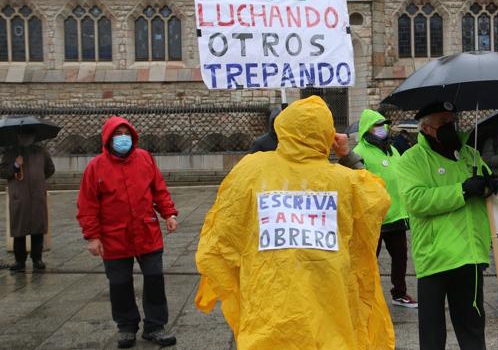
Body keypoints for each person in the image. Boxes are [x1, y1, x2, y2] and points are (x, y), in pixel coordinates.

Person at [195, 96, 395, 350]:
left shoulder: (251, 170)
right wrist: (348, 156)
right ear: (328, 134)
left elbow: (224, 230)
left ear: (283, 128)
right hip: (329, 308)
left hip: (269, 307)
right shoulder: (345, 181)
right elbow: (377, 200)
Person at [396, 101, 498, 350]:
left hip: (470, 255)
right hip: (435, 257)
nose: (450, 126)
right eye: (443, 122)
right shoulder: (411, 160)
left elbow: (491, 192)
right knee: (432, 335)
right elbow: (416, 200)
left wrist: (493, 186)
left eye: (452, 120)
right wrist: (462, 190)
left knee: (473, 329)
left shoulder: (470, 154)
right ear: (426, 128)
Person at [77, 116, 178, 349]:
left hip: (146, 230)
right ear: (108, 139)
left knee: (154, 279)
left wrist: (169, 214)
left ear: (132, 136)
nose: (122, 138)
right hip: (114, 236)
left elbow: (159, 190)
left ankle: (155, 326)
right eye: (117, 134)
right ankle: (126, 327)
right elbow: (87, 204)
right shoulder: (95, 167)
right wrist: (92, 236)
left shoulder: (145, 159)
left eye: (126, 133)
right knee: (120, 283)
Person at [354, 109, 417, 308]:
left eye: (383, 124)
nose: (382, 129)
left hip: (396, 213)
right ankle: (366, 294)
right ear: (367, 128)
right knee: (368, 258)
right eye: (377, 125)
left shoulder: (392, 149)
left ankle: (399, 292)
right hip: (374, 216)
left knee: (400, 257)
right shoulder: (359, 152)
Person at [0, 127, 55, 272]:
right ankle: (20, 260)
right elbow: (3, 172)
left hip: (37, 195)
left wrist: (39, 181)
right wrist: (16, 166)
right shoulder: (11, 152)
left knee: (38, 228)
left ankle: (37, 258)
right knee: (20, 229)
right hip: (20, 196)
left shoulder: (41, 152)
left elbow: (50, 169)